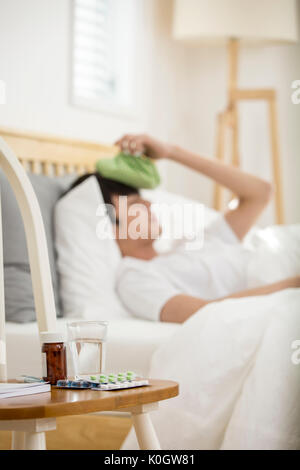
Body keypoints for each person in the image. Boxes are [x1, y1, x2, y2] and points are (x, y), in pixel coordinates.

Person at [68, 134, 300, 324]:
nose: (149, 204)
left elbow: (260, 193)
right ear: (109, 229)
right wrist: (293, 284)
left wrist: (171, 152)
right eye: (134, 204)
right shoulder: (134, 278)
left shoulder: (190, 245)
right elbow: (203, 312)